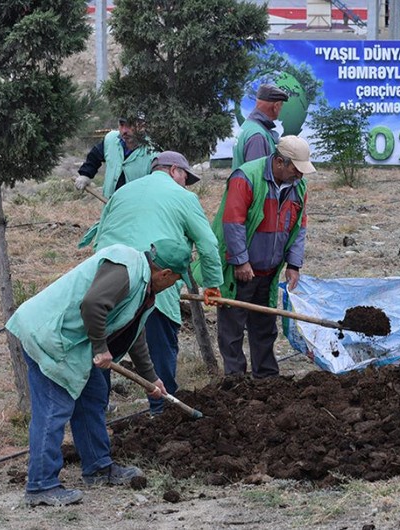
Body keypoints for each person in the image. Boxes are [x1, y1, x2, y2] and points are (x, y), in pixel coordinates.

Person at [6, 238, 192, 507]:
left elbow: (133, 333)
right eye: (175, 279)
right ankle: (40, 485)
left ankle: (98, 467)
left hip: (76, 344)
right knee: (53, 409)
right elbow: (93, 305)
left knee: (92, 398)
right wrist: (101, 348)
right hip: (50, 336)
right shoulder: (126, 268)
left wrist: (151, 378)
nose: (174, 285)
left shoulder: (144, 285)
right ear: (164, 273)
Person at [79, 151, 224, 416]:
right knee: (160, 349)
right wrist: (212, 286)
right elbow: (208, 243)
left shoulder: (122, 193)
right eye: (185, 177)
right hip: (154, 281)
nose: (185, 183)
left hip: (108, 282)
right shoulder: (184, 198)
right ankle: (163, 414)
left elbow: (100, 236)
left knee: (104, 350)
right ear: (172, 171)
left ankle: (96, 415)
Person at [212, 136, 316, 377]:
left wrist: (294, 263)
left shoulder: (298, 187)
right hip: (241, 270)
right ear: (280, 162)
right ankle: (235, 379)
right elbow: (233, 222)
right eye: (296, 169)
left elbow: (300, 227)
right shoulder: (246, 177)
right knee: (232, 326)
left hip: (269, 270)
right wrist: (240, 261)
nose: (300, 175)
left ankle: (266, 377)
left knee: (265, 325)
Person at [74, 114, 158, 198]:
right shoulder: (111, 139)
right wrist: (85, 174)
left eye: (129, 125)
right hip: (109, 205)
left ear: (142, 126)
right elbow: (94, 157)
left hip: (135, 208)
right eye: (121, 125)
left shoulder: (154, 152)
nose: (124, 131)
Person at [231, 83, 289, 170]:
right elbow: (257, 178)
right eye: (281, 106)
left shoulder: (248, 126)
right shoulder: (258, 136)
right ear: (276, 106)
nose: (281, 110)